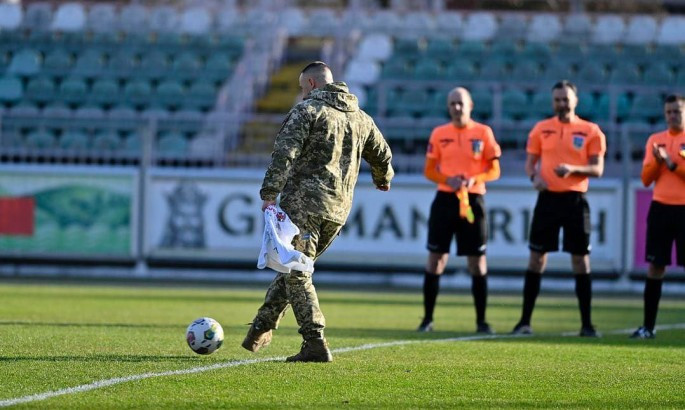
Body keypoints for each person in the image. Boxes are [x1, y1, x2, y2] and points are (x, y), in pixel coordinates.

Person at [241, 61, 394, 362]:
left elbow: (285, 152)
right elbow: (383, 153)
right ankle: (260, 327)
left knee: (296, 271)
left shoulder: (308, 111)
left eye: (302, 88)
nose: (301, 94)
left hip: (304, 206)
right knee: (293, 267)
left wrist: (269, 192)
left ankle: (314, 340)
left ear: (311, 85)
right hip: (337, 213)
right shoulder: (362, 118)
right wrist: (382, 178)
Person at [511, 80, 606, 337]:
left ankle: (587, 324)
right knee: (536, 258)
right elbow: (531, 164)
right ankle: (524, 322)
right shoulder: (541, 129)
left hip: (575, 201)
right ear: (553, 102)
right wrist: (534, 178)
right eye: (558, 100)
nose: (562, 104)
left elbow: (597, 169)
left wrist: (574, 169)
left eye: (566, 99)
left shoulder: (591, 130)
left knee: (580, 260)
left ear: (576, 101)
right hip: (548, 200)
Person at [417, 87, 501, 334]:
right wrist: (447, 178)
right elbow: (429, 171)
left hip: (473, 201)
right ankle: (428, 319)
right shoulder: (439, 133)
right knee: (436, 259)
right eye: (452, 103)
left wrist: (474, 180)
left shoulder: (483, 133)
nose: (456, 108)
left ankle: (482, 321)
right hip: (445, 199)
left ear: (470, 105)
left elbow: (495, 170)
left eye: (460, 103)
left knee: (477, 262)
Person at [631, 94, 685, 339]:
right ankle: (648, 327)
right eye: (669, 112)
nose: (673, 116)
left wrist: (672, 164)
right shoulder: (656, 140)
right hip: (661, 207)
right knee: (655, 266)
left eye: (677, 111)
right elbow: (646, 178)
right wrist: (657, 162)